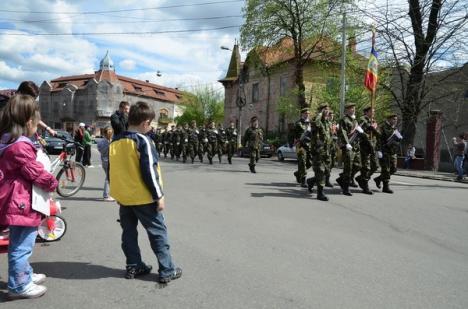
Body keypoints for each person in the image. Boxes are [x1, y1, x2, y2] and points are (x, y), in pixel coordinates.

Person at [109, 101, 182, 283]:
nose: (151, 128)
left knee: (128, 233)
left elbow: (112, 170)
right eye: (151, 124)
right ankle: (167, 270)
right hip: (143, 197)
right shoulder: (143, 140)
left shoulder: (116, 142)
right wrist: (159, 196)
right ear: (145, 123)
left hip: (124, 198)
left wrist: (117, 192)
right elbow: (150, 171)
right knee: (158, 232)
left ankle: (133, 265)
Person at [0, 94, 58, 299]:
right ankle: (19, 285)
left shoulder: (7, 140)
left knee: (21, 243)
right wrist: (53, 182)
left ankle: (24, 275)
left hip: (15, 200)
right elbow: (36, 172)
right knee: (22, 245)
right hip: (22, 202)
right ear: (28, 122)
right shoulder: (20, 146)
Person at [306, 104, 333, 201]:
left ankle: (311, 181)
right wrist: (320, 114)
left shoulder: (327, 122)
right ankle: (320, 193)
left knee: (326, 171)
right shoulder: (316, 120)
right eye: (324, 109)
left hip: (326, 151)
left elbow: (329, 136)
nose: (327, 111)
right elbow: (316, 124)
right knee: (320, 171)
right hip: (318, 151)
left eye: (327, 109)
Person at [336, 103, 362, 196]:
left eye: (354, 108)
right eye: (351, 108)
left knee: (358, 165)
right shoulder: (344, 120)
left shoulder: (355, 120)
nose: (353, 110)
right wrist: (347, 143)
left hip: (355, 146)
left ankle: (341, 178)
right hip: (348, 146)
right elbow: (342, 132)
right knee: (348, 168)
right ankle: (345, 188)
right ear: (347, 110)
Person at [374, 113, 402, 193]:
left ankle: (378, 179)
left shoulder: (394, 128)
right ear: (389, 119)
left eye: (396, 119)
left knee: (393, 169)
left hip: (392, 151)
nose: (395, 121)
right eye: (394, 119)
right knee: (386, 169)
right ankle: (386, 187)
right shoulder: (382, 127)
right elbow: (379, 139)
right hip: (384, 151)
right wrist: (378, 150)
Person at [356, 106, 380, 194]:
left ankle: (361, 178)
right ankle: (365, 186)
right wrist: (368, 128)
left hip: (373, 147)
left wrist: (374, 129)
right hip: (364, 147)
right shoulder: (362, 119)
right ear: (366, 112)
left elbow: (378, 134)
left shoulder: (373, 121)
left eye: (374, 111)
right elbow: (359, 131)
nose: (373, 113)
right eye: (371, 111)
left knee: (375, 166)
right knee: (365, 167)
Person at [292, 108, 312, 187]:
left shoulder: (310, 123)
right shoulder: (298, 123)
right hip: (300, 145)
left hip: (309, 145)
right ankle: (303, 180)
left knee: (309, 163)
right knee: (302, 162)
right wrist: (293, 143)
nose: (307, 114)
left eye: (308, 113)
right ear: (302, 114)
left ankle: (298, 173)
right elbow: (293, 134)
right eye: (305, 113)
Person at [97, 127, 114, 201]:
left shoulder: (100, 142)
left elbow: (99, 149)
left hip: (103, 160)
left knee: (109, 177)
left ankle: (110, 193)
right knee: (108, 178)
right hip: (110, 161)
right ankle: (106, 195)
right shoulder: (112, 142)